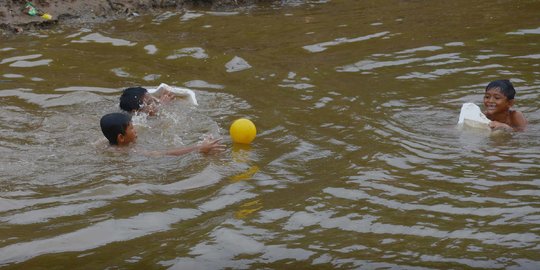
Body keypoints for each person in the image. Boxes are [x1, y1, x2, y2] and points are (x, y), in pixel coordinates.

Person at [100, 112, 225, 156]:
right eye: (132, 128)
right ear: (121, 138)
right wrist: (199, 148)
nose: (136, 130)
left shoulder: (102, 144)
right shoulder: (127, 152)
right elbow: (163, 154)